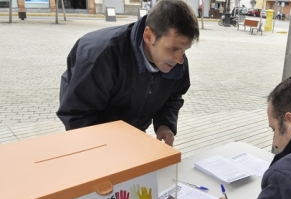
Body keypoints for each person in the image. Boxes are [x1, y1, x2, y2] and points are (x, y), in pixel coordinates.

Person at [57, 0, 199, 146]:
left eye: (184, 49)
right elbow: (78, 115)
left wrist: (165, 123)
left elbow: (173, 95)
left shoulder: (175, 61)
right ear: (149, 36)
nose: (180, 59)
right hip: (95, 141)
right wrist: (107, 148)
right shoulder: (103, 55)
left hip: (132, 136)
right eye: (173, 49)